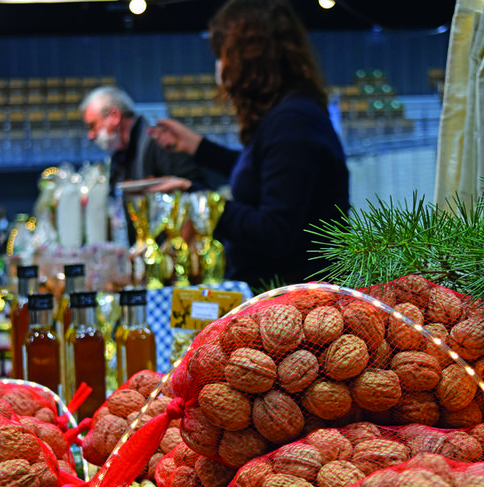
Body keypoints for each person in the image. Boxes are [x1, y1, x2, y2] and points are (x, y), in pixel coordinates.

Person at [148, 0, 350, 289]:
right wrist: (197, 146)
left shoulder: (292, 122)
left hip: (293, 310)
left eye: (221, 55)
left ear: (246, 58)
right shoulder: (289, 116)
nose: (218, 67)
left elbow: (275, 232)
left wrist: (201, 201)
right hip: (282, 299)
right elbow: (265, 177)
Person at [79, 85, 206, 191]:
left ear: (114, 116)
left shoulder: (159, 142)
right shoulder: (119, 156)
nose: (90, 135)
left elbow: (195, 191)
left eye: (92, 126)